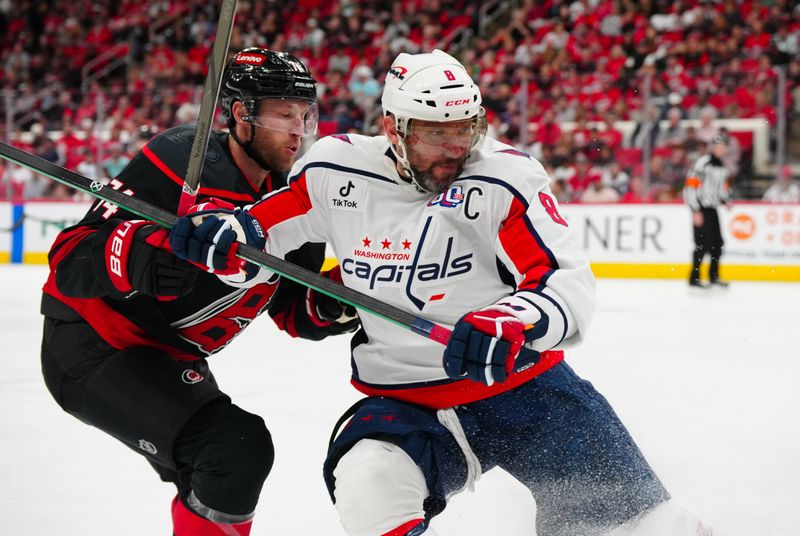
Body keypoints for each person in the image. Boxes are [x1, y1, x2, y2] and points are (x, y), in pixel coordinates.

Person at [171, 50, 714, 536]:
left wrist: (512, 320)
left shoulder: (503, 178)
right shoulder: (335, 170)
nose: (456, 147)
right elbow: (261, 235)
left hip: (527, 392)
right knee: (369, 482)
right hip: (410, 403)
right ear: (393, 128)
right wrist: (227, 237)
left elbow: (563, 283)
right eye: (436, 132)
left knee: (647, 528)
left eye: (467, 128)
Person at [39, 48, 357, 536]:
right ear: (241, 116)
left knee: (228, 461)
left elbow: (293, 310)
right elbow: (69, 259)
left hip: (168, 358)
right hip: (92, 345)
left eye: (305, 115)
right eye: (283, 114)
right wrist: (145, 254)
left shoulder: (295, 201)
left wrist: (337, 301)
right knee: (233, 448)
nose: (298, 130)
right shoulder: (180, 160)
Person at [684, 135, 731, 288]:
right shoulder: (702, 163)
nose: (720, 150)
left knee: (717, 244)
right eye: (718, 146)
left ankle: (713, 276)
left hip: (713, 208)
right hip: (701, 207)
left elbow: (721, 187)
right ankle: (694, 277)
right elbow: (691, 185)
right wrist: (695, 209)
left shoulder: (722, 167)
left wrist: (726, 199)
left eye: (723, 147)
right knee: (701, 244)